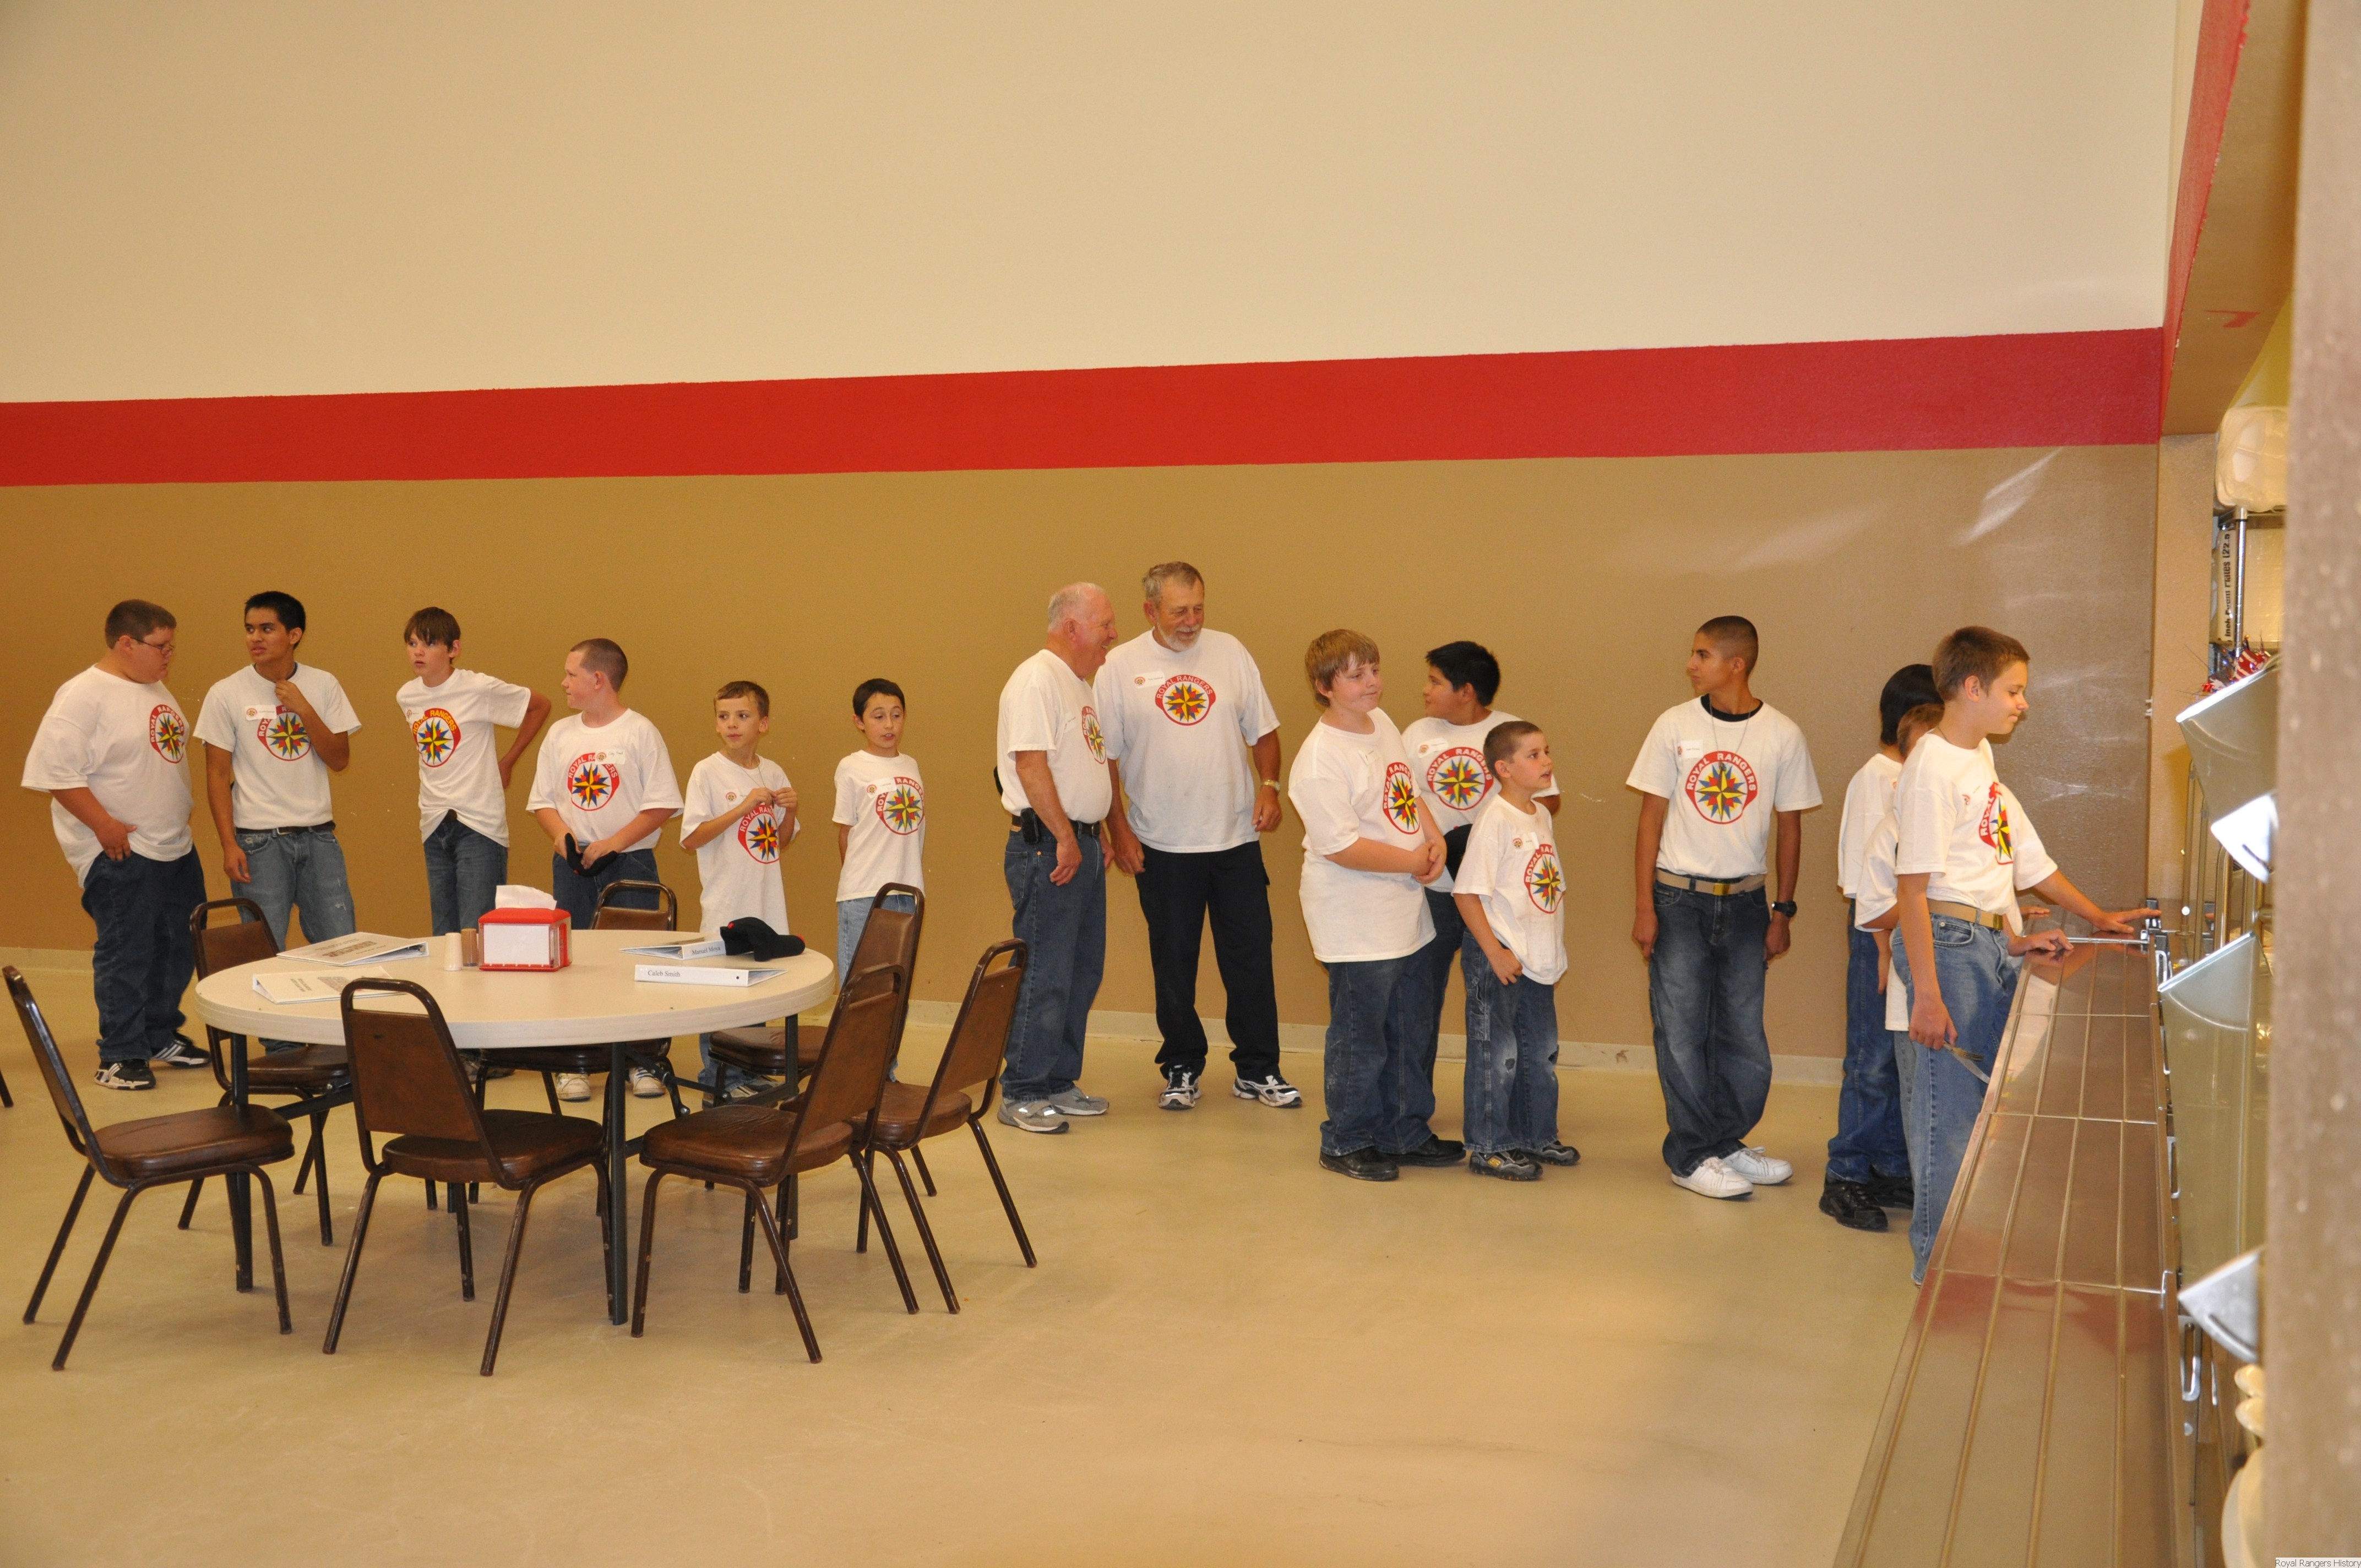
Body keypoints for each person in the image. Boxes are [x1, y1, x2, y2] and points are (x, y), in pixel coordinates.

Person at [1892, 627, 2142, 1280]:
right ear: (1972, 688)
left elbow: (2009, 861)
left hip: (1978, 941)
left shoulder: (1977, 758)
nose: (2022, 704)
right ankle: (1936, 1269)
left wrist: (2087, 919)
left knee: (1979, 1110)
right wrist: (1927, 994)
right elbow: (1914, 891)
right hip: (1946, 948)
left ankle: (1964, 1252)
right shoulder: (1931, 768)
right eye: (2014, 691)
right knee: (1948, 1116)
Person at [1627, 615, 1821, 1200]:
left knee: (1742, 1034)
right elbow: (1650, 820)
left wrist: (1783, 910)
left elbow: (1790, 829)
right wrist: (1644, 905)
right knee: (1681, 1031)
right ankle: (1690, 1156)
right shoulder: (1673, 724)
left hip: (1745, 904)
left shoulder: (1782, 734)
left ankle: (1725, 1141)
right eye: (1693, 653)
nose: (1690, 664)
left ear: (1737, 664)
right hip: (1677, 899)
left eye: (1702, 654)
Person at [1095, 562, 1296, 1112]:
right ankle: (1182, 1064)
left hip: (1235, 838)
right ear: (1150, 611)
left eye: (1199, 608)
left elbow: (1265, 731)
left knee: (1251, 957)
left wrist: (1270, 786)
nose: (1191, 621)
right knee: (1174, 962)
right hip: (1161, 844)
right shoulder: (1118, 667)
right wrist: (1119, 829)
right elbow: (1105, 758)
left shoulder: (1231, 652)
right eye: (1179, 611)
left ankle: (1258, 1068)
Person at [1287, 629, 1460, 1182]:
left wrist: (1433, 838)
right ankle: (1346, 1139)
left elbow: (1406, 790)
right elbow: (1341, 846)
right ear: (1324, 687)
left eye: (1375, 670)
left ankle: (1402, 1130)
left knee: (1409, 1026)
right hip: (1355, 915)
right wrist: (1411, 861)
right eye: (1356, 675)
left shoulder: (1381, 723)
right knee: (1361, 1036)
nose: (1372, 684)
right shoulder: (1319, 760)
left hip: (1403, 905)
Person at [21, 600, 209, 1089]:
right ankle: (120, 1055)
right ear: (127, 643)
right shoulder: (82, 696)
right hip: (122, 850)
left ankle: (157, 1034)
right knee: (129, 950)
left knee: (180, 944)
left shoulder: (153, 686)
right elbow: (55, 773)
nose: (169, 656)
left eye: (172, 647)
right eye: (161, 647)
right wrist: (103, 825)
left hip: (174, 846)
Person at [1401, 640, 1555, 1117]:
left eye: (1435, 682)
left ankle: (1504, 1117)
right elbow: (1402, 798)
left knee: (1499, 1011)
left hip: (1494, 900)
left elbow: (1547, 800)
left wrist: (1484, 831)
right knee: (1417, 1004)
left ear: (1466, 691)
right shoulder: (1415, 734)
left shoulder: (1510, 733)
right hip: (1433, 890)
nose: (1426, 690)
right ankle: (1411, 1116)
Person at [526, 636, 682, 1101]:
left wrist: (614, 843)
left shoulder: (640, 732)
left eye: (571, 674)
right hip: (573, 865)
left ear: (599, 679)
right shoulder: (560, 735)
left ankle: (641, 1060)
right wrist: (562, 836)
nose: (563, 683)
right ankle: (575, 1061)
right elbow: (543, 802)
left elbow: (662, 804)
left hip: (629, 861)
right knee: (573, 960)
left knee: (635, 960)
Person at [994, 584, 1119, 1134]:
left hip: (1078, 843)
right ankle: (1023, 1089)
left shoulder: (1079, 685)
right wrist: (1066, 836)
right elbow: (1029, 764)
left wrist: (1096, 833)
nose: (1113, 634)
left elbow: (1079, 765)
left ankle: (1058, 1080)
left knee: (1081, 969)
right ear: (1072, 627)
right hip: (1048, 846)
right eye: (1105, 624)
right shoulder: (1036, 679)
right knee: (1045, 970)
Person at [194, 592, 364, 996]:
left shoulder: (323, 684)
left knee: (342, 947)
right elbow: (216, 775)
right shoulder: (226, 692)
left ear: (294, 635)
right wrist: (229, 844)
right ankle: (268, 1032)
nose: (255, 638)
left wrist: (304, 709)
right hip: (258, 842)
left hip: (319, 837)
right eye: (250, 629)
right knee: (263, 955)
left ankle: (338, 1028)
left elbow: (339, 759)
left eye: (267, 629)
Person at [1820, 663, 1938, 1231]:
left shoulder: (1924, 775)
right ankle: (1845, 1173)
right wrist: (1884, 949)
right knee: (1869, 1059)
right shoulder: (1879, 777)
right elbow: (1863, 882)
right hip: (1879, 932)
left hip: (1912, 931)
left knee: (1895, 1057)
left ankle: (1889, 1165)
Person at [1451, 721, 1581, 1180]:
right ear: (1504, 769)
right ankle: (1489, 1146)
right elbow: (1467, 894)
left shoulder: (1540, 814)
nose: (1547, 762)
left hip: (1536, 957)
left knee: (1539, 1052)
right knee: (1498, 1054)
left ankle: (1535, 1134)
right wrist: (1495, 952)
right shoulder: (1496, 820)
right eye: (1533, 755)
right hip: (1501, 955)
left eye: (1547, 751)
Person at [395, 606, 550, 936]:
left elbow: (540, 706)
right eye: (412, 644)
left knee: (478, 933)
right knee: (445, 935)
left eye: (430, 644)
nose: (419, 652)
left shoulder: (478, 688)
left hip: (478, 824)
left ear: (454, 649)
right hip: (434, 821)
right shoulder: (407, 695)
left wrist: (508, 761)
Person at [681, 680, 799, 1099]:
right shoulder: (707, 772)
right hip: (726, 901)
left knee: (756, 989)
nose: (732, 724)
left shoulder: (774, 772)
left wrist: (790, 812)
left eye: (743, 716)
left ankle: (748, 1072)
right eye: (724, 716)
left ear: (763, 724)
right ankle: (719, 1080)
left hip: (765, 902)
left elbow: (778, 842)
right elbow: (692, 837)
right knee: (723, 991)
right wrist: (743, 806)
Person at [831, 679, 923, 982]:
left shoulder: (911, 765)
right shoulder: (851, 766)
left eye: (896, 715)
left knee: (895, 986)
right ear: (859, 722)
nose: (889, 725)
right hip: (864, 893)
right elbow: (845, 832)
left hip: (907, 892)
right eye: (879, 716)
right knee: (860, 986)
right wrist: (857, 882)